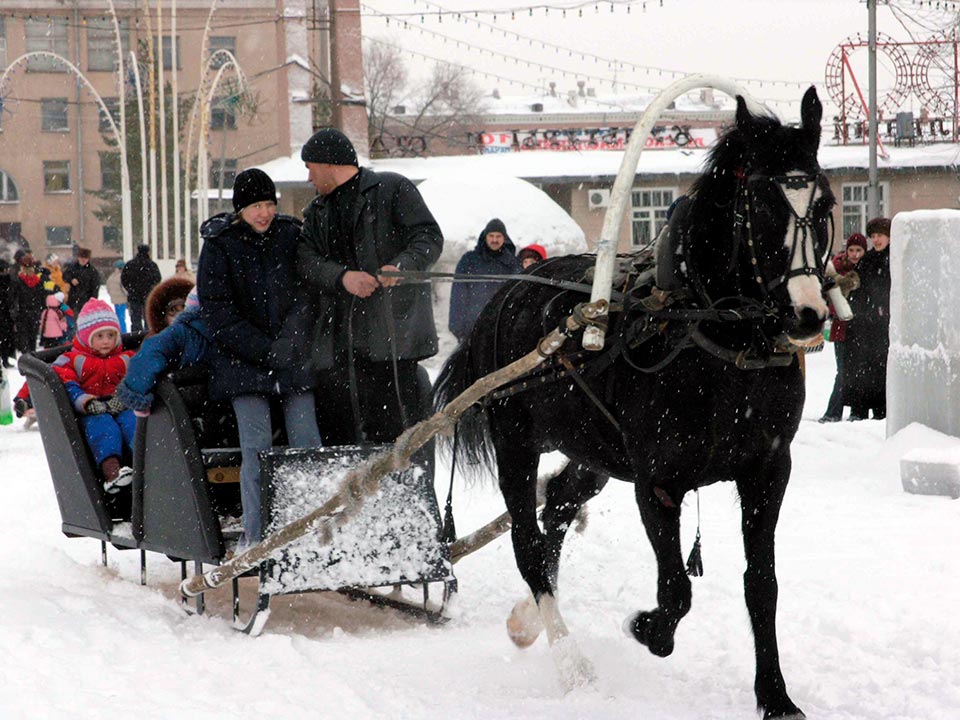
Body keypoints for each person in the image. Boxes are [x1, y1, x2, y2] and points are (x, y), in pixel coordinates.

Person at [198, 167, 322, 548]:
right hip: (242, 363)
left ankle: (312, 529)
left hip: (291, 356)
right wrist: (262, 349)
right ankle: (256, 535)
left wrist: (289, 341)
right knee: (257, 451)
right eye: (256, 206)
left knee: (307, 445)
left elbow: (307, 294)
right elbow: (218, 311)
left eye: (269, 204)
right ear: (240, 208)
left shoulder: (290, 235)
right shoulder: (220, 245)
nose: (264, 213)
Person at [296, 127, 443, 445]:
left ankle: (398, 492)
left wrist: (402, 267)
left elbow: (428, 237)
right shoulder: (316, 213)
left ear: (327, 164)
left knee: (396, 434)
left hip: (391, 342)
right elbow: (306, 261)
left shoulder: (392, 188)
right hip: (337, 347)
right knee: (341, 437)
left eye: (310, 168)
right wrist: (342, 277)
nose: (309, 178)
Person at [51, 298, 137, 494]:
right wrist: (86, 403)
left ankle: (145, 465)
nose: (106, 341)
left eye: (110, 335)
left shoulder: (126, 358)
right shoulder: (73, 360)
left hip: (121, 404)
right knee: (103, 428)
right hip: (92, 409)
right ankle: (112, 472)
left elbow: (136, 379)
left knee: (135, 423)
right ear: (86, 338)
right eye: (99, 336)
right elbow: (67, 383)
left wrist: (124, 397)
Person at [115, 289, 210, 415]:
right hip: (194, 404)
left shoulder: (182, 333)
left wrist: (135, 394)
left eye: (181, 309)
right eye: (172, 311)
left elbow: (149, 356)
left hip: (195, 403)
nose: (177, 314)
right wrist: (136, 393)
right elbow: (150, 355)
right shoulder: (178, 335)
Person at [844, 217, 892, 421]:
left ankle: (882, 410)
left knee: (882, 370)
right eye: (873, 236)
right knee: (862, 370)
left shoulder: (895, 258)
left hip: (884, 327)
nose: (876, 240)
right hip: (863, 326)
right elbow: (858, 289)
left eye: (880, 235)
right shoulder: (868, 260)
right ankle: (860, 410)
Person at [448, 218, 521, 342]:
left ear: (504, 238)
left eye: (498, 236)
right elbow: (458, 294)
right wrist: (457, 327)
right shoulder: (469, 260)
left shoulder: (512, 264)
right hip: (472, 328)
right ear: (485, 236)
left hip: (502, 328)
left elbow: (517, 295)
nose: (494, 240)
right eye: (491, 235)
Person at [819, 232, 867, 422]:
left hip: (861, 328)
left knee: (860, 370)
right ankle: (833, 412)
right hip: (842, 327)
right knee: (843, 370)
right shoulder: (835, 269)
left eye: (859, 250)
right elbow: (830, 296)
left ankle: (856, 411)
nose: (855, 254)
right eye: (852, 250)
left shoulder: (866, 268)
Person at [121, 244, 161, 334]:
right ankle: (148, 335)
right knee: (148, 317)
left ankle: (136, 337)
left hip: (134, 295)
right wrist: (150, 289)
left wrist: (130, 289)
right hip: (148, 295)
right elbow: (157, 279)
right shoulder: (152, 265)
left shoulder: (130, 264)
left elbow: (124, 279)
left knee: (135, 318)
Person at [11, 249, 46, 355]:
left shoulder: (17, 281)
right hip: (33, 314)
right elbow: (42, 299)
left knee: (25, 341)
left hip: (23, 315)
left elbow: (13, 299)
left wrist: (14, 314)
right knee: (32, 341)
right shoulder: (38, 281)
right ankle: (32, 360)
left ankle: (27, 360)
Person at [63, 247, 101, 319]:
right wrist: (71, 280)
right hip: (72, 300)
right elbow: (65, 275)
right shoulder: (72, 267)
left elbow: (95, 287)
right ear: (78, 258)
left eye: (85, 258)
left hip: (86, 301)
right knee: (72, 322)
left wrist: (92, 300)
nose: (83, 260)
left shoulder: (92, 271)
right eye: (81, 257)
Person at [105, 260, 128, 334]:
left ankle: (118, 330)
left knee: (118, 316)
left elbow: (108, 288)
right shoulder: (122, 276)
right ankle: (123, 332)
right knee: (122, 318)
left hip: (115, 299)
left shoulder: (111, 277)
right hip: (122, 299)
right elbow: (124, 289)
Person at [0, 257, 15, 367]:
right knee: (5, 339)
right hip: (6, 314)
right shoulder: (10, 281)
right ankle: (5, 359)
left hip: (5, 314)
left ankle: (4, 359)